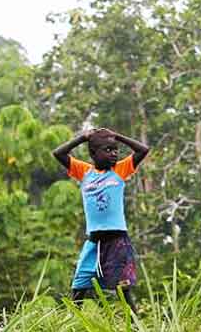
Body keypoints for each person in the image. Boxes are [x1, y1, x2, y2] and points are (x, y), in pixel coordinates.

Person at [51, 126, 150, 312]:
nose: (114, 154)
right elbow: (59, 153)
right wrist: (83, 138)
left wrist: (117, 135)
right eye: (108, 150)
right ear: (93, 153)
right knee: (79, 288)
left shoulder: (120, 170)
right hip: (93, 242)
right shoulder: (84, 172)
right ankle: (72, 331)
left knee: (123, 290)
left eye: (115, 150)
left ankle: (137, 330)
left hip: (116, 241)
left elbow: (143, 150)